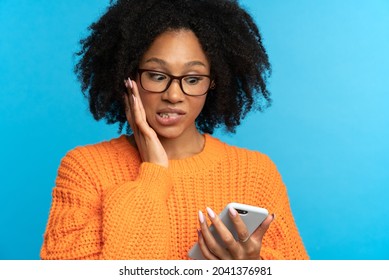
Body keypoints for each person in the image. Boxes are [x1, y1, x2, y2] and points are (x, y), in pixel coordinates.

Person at [40, 0, 309, 260]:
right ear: (129, 77)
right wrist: (153, 173)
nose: (174, 95)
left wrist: (252, 268)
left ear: (215, 82)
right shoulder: (85, 169)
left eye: (193, 79)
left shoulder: (255, 173)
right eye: (157, 76)